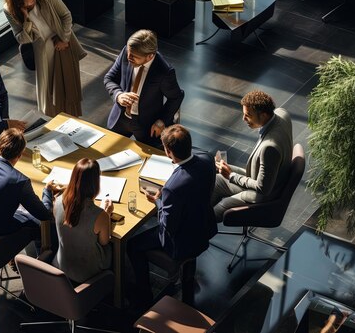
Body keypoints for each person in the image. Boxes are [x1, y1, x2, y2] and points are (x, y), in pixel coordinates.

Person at [127, 124, 217, 305]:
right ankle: (187, 279)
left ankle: (144, 295)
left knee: (132, 245)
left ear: (168, 152)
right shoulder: (207, 160)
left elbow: (168, 225)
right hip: (202, 226)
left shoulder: (172, 188)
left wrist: (158, 201)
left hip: (180, 241)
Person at [0, 128, 61, 249]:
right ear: (20, 155)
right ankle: (42, 261)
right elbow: (44, 215)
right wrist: (47, 191)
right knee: (43, 225)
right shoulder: (19, 181)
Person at [3, 0, 86, 117]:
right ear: (17, 1)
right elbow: (21, 38)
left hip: (62, 43)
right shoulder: (9, 10)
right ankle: (55, 120)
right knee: (48, 89)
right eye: (27, 0)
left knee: (68, 84)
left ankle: (73, 118)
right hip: (42, 51)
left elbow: (66, 15)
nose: (32, 2)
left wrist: (65, 39)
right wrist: (26, 20)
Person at [211, 90, 293, 222]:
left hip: (260, 195)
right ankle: (198, 215)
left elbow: (263, 189)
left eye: (248, 115)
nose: (243, 119)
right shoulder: (282, 114)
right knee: (215, 179)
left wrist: (231, 176)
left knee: (218, 210)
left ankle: (200, 228)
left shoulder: (270, 147)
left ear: (264, 115)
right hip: (262, 176)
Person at [103, 29, 184, 148]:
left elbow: (176, 96)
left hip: (148, 125)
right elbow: (109, 78)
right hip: (120, 119)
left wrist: (162, 121)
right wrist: (118, 95)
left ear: (150, 56)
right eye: (128, 53)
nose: (129, 57)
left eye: (134, 56)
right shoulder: (127, 51)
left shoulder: (164, 71)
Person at [52, 158, 114, 283]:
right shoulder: (100, 215)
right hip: (88, 272)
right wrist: (107, 213)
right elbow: (104, 241)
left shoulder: (57, 201)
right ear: (95, 183)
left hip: (62, 264)